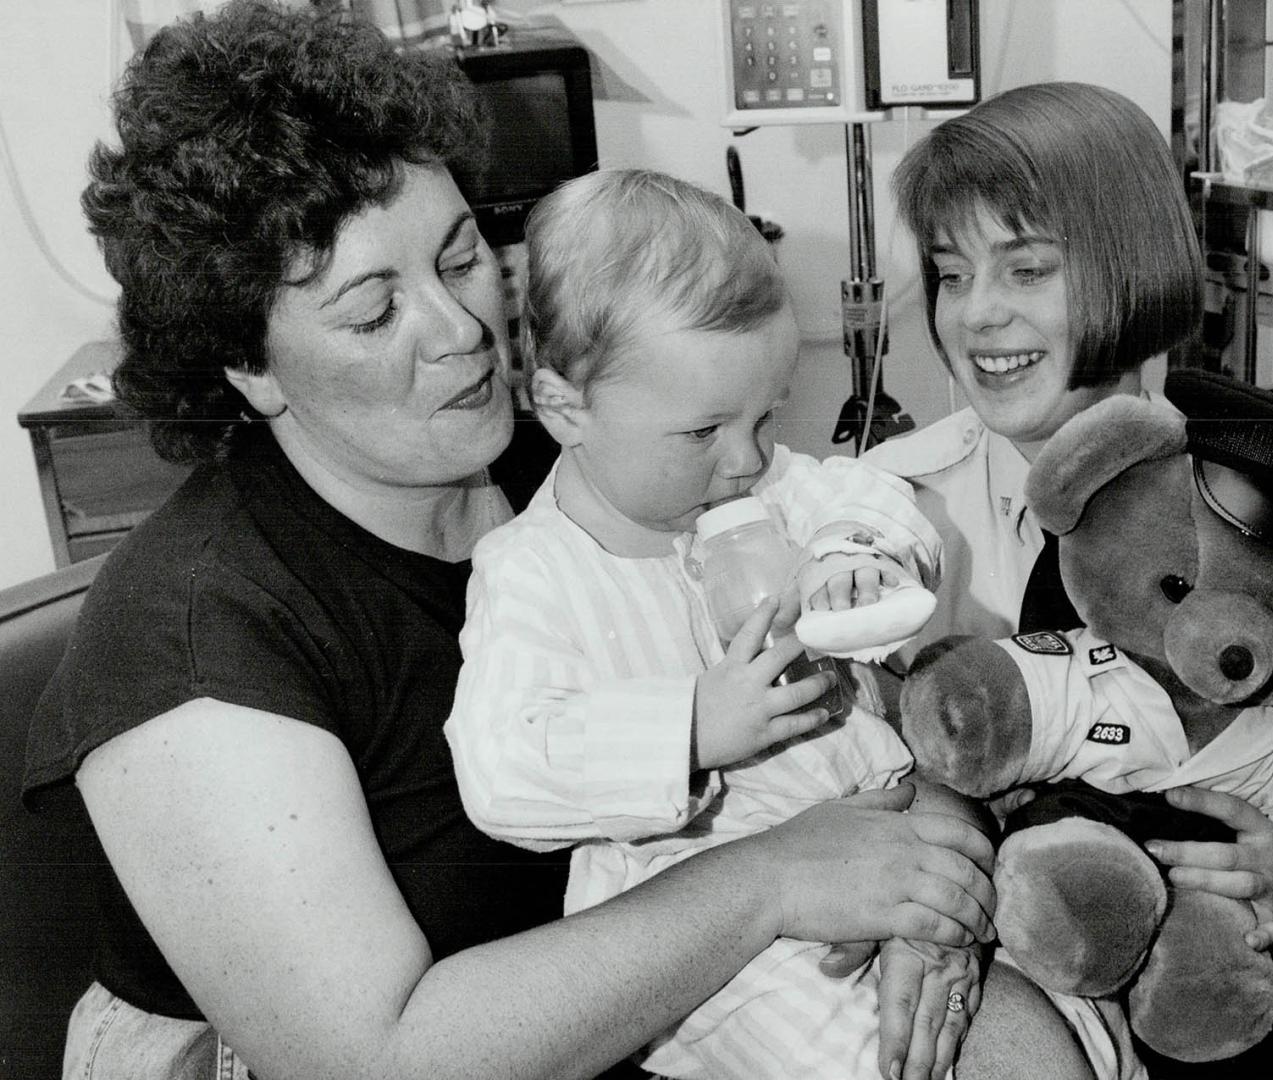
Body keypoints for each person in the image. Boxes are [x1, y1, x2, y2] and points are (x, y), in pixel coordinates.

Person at [20, 6, 1000, 1079]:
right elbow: (373, 1060)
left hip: (680, 1001)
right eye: (370, 312)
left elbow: (869, 669)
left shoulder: (580, 467)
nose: (461, 328)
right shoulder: (197, 638)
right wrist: (776, 880)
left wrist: (928, 870)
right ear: (248, 364)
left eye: (461, 255)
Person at [444, 167, 1122, 1080]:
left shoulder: (771, 485)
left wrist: (854, 557)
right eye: (703, 432)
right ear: (565, 406)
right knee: (873, 1062)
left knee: (1066, 1033)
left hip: (894, 826)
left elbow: (873, 499)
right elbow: (500, 771)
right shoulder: (532, 573)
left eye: (766, 416)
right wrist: (688, 728)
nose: (748, 457)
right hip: (720, 936)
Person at [865, 81, 1273, 1079]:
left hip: (1249, 998)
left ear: (1132, 269)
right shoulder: (888, 512)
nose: (977, 314)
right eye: (949, 272)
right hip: (1017, 972)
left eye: (1026, 267)